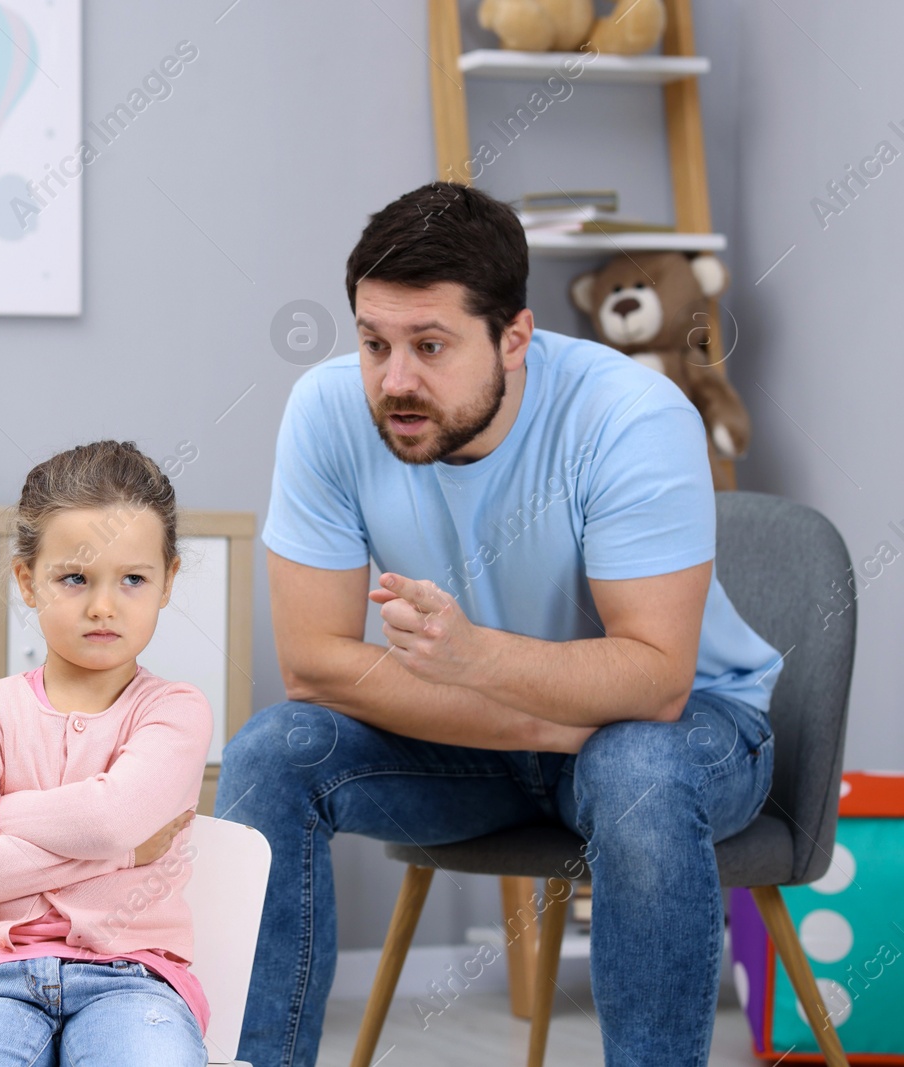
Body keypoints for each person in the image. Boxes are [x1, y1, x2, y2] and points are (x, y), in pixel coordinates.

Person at [215, 181, 782, 1067]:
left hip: (687, 730)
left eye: (431, 346)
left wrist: (473, 657)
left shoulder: (631, 415)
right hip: (483, 742)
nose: (395, 381)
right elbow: (316, 666)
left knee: (634, 762)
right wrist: (517, 715)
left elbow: (656, 678)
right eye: (374, 343)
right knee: (272, 752)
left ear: (514, 337)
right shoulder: (328, 411)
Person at [0, 439, 214, 1066]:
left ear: (168, 582)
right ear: (28, 581)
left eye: (133, 579)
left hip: (134, 977)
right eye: (74, 578)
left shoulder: (175, 710)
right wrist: (121, 854)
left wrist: (1, 815)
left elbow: (108, 820)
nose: (103, 605)